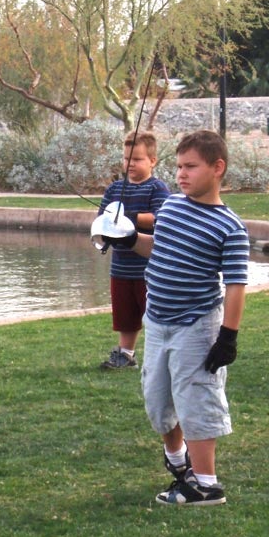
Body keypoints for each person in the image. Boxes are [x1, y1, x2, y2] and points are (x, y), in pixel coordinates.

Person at [102, 129, 250, 506]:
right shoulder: (170, 207)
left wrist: (228, 337)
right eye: (179, 166)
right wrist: (130, 239)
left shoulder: (229, 227)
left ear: (218, 168)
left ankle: (206, 485)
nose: (181, 174)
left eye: (191, 167)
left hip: (197, 326)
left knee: (196, 399)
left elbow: (235, 286)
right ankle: (178, 465)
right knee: (158, 400)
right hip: (158, 322)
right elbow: (158, 248)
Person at [98, 130, 170, 369]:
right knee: (125, 316)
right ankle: (125, 354)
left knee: (153, 314)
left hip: (148, 267)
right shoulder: (113, 190)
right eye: (126, 158)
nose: (130, 164)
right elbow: (102, 219)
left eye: (137, 159)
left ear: (152, 161)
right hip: (120, 267)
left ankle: (159, 355)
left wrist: (130, 218)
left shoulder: (157, 189)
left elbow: (160, 218)